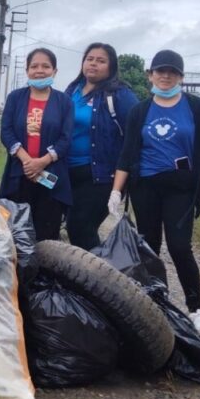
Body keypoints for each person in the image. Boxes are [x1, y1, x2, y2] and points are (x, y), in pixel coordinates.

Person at [108, 49, 200, 337]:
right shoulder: (140, 111)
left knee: (180, 246)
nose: (165, 76)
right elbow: (127, 154)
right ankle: (156, 304)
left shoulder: (197, 108)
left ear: (181, 77)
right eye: (160, 71)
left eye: (172, 71)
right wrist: (116, 191)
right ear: (150, 74)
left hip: (181, 189)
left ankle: (196, 308)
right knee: (149, 248)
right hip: (145, 186)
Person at [62, 43, 139, 250]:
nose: (93, 64)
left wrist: (126, 178)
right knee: (59, 225)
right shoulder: (72, 90)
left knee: (81, 227)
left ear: (111, 67)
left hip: (101, 176)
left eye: (101, 60)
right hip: (66, 172)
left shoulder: (121, 95)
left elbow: (136, 135)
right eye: (90, 59)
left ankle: (95, 277)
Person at [0, 48, 73, 241]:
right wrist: (27, 160)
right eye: (34, 66)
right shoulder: (15, 97)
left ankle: (45, 271)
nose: (40, 70)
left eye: (46, 66)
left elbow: (65, 138)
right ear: (27, 70)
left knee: (46, 233)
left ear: (54, 71)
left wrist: (42, 162)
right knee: (15, 231)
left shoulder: (64, 101)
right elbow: (6, 131)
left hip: (50, 175)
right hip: (19, 174)